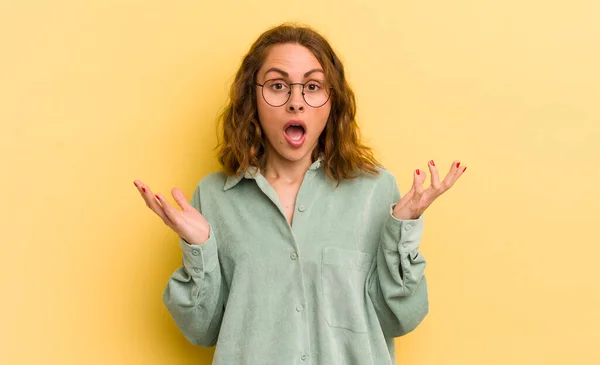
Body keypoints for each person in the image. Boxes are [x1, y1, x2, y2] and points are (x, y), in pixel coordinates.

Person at [133, 23, 466, 365]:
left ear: (331, 100)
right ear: (253, 98)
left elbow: (401, 317)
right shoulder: (214, 196)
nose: (296, 103)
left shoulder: (375, 191)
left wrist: (402, 230)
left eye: (312, 86)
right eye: (278, 86)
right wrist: (199, 247)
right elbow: (202, 330)